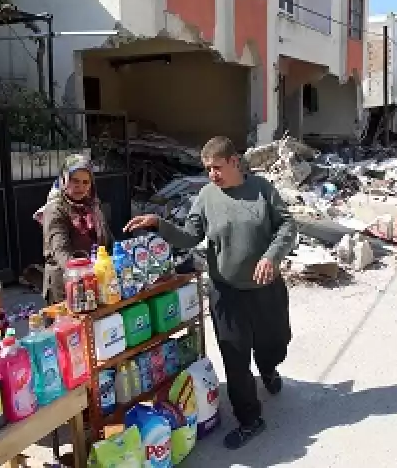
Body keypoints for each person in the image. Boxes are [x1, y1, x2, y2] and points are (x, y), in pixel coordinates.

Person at [124, 136, 298, 450]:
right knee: (234, 356)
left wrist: (271, 257)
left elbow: (286, 226)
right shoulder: (206, 196)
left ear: (234, 162)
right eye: (207, 169)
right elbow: (191, 236)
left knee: (276, 341)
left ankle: (269, 367)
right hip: (226, 292)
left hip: (265, 289)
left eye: (217, 167)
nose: (212, 175)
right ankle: (249, 419)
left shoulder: (262, 190)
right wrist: (159, 224)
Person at [42, 154, 113, 304]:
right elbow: (61, 252)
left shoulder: (92, 205)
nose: (80, 187)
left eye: (86, 182)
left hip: (94, 281)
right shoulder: (55, 209)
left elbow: (107, 239)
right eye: (75, 181)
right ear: (64, 179)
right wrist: (81, 275)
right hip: (66, 286)